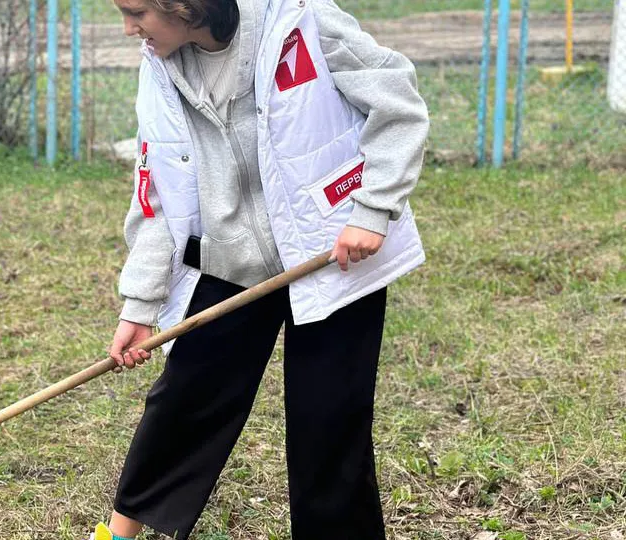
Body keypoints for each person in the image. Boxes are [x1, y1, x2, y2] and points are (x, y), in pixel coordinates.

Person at [92, 0, 429, 537]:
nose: (128, 28)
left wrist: (373, 208)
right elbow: (157, 190)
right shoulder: (156, 66)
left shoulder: (300, 21)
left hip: (332, 257)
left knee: (329, 425)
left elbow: (398, 101)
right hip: (229, 263)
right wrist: (140, 302)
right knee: (183, 402)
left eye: (136, 12)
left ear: (185, 5)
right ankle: (116, 535)